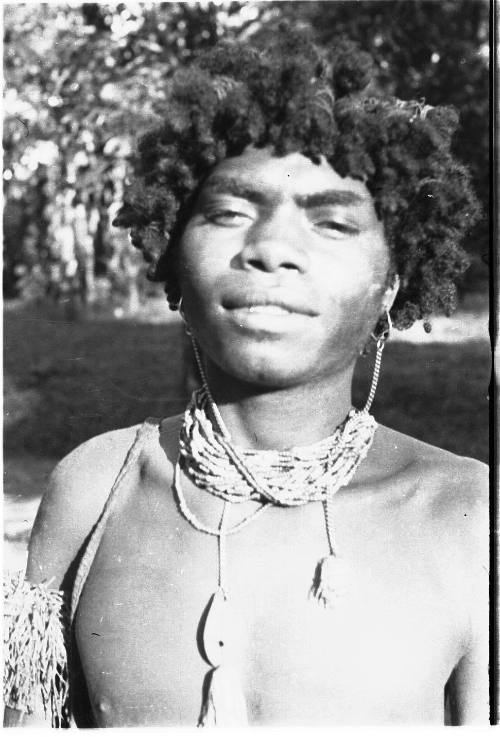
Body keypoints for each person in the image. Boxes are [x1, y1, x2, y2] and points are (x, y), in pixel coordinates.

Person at [4, 30, 488, 727]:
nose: (270, 249)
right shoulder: (95, 488)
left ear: (392, 284)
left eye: (331, 223)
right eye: (229, 213)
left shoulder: (468, 515)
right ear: (173, 257)